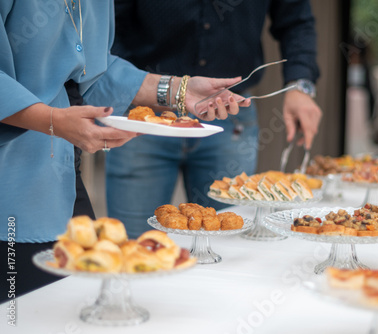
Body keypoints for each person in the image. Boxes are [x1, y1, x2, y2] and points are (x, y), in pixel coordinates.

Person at [0, 0, 247, 300]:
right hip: (11, 183)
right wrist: (52, 120)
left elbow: (94, 72)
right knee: (19, 315)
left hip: (57, 172)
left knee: (79, 299)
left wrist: (179, 91)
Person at [106, 0, 322, 238]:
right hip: (145, 119)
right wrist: (125, 84)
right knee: (134, 246)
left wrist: (300, 86)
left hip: (230, 116)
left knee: (228, 244)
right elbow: (109, 23)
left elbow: (296, 19)